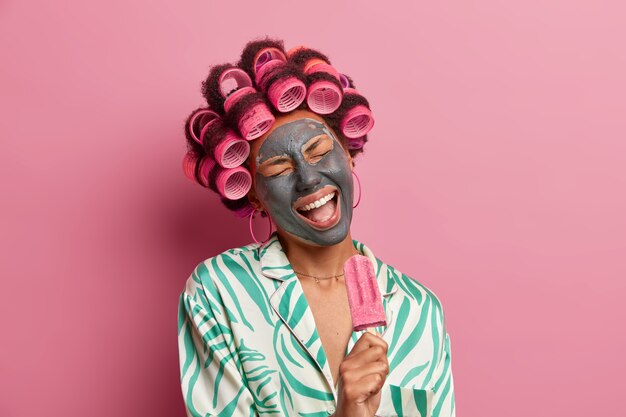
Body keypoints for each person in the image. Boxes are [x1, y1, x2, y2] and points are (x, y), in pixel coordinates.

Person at [177, 37, 456, 417]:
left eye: (320, 151)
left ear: (349, 154)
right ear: (254, 194)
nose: (309, 179)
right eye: (278, 167)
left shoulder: (420, 310)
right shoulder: (219, 292)